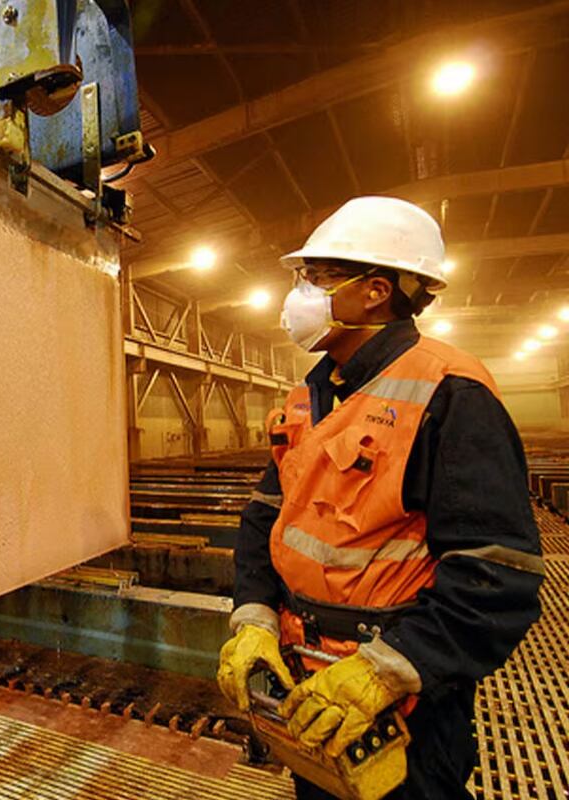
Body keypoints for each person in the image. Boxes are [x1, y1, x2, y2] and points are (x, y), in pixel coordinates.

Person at [215, 196, 545, 798]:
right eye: (303, 278)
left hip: (400, 706)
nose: (302, 294)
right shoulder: (308, 397)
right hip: (308, 689)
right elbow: (266, 520)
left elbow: (497, 575)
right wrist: (255, 619)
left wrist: (382, 671)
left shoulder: (450, 393)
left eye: (318, 277)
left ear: (374, 291)